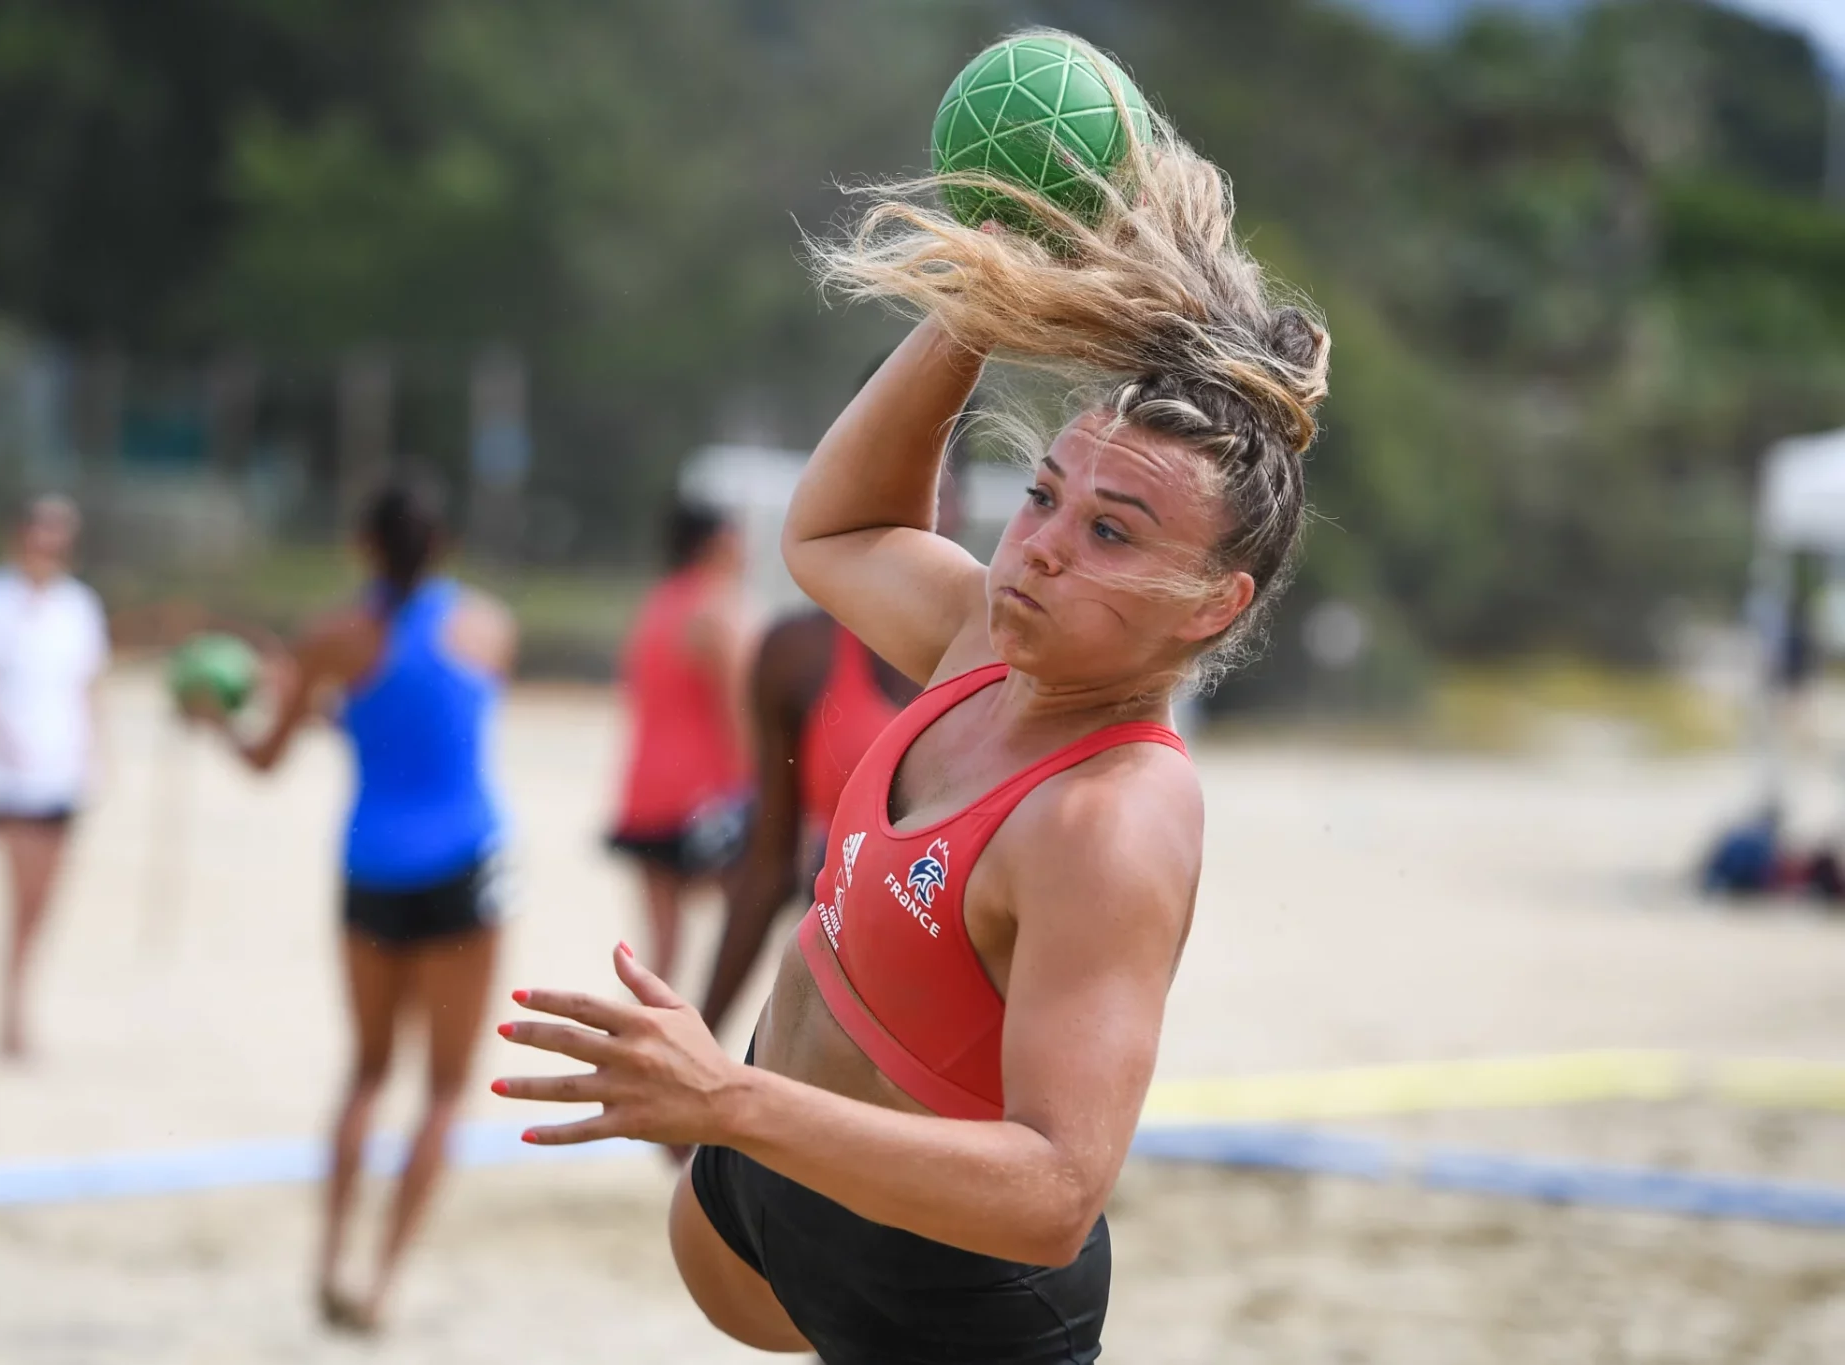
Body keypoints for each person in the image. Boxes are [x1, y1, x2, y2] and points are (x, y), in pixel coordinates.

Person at [494, 43, 1328, 1364]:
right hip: (770, 1209)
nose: (1043, 543)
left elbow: (1056, 1194)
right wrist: (987, 292)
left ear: (1212, 605)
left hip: (950, 1315)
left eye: (1113, 533)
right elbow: (836, 531)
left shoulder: (1110, 817)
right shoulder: (977, 640)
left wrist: (732, 1100)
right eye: (1046, 493)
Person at [187, 477, 515, 1335]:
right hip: (462, 868)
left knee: (368, 1072)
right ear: (441, 546)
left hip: (371, 868)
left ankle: (328, 1258)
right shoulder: (487, 626)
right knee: (444, 1090)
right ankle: (382, 1280)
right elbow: (442, 721)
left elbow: (266, 757)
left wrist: (215, 717)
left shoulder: (330, 638)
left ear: (361, 546)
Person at [694, 395, 971, 1043]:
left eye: (930, 485)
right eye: (881, 476)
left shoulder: (1007, 666)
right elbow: (766, 866)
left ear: (955, 502)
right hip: (822, 1018)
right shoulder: (799, 656)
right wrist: (700, 1039)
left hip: (948, 1037)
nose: (905, 506)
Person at [0, 494, 110, 1059]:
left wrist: (95, 757)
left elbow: (89, 689)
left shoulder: (79, 606)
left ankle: (18, 1003)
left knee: (44, 902)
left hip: (63, 771)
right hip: (11, 776)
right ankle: (11, 1016)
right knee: (21, 896)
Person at [607, 501, 755, 983]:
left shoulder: (656, 604)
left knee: (663, 951)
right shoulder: (715, 612)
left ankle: (642, 1042)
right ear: (716, 543)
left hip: (645, 791)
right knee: (748, 922)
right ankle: (708, 1040)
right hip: (703, 799)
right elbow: (740, 716)